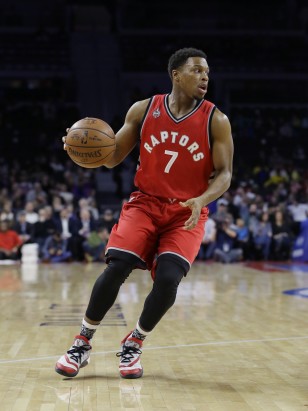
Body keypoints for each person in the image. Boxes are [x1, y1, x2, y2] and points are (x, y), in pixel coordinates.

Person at [55, 47, 234, 379]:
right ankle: (82, 341)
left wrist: (202, 199)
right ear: (175, 74)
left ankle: (134, 342)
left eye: (207, 71)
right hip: (146, 204)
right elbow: (110, 157)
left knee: (168, 280)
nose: (205, 76)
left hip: (187, 211)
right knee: (117, 267)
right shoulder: (144, 109)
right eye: (197, 70)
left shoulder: (216, 120)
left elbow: (224, 174)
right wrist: (79, 148)